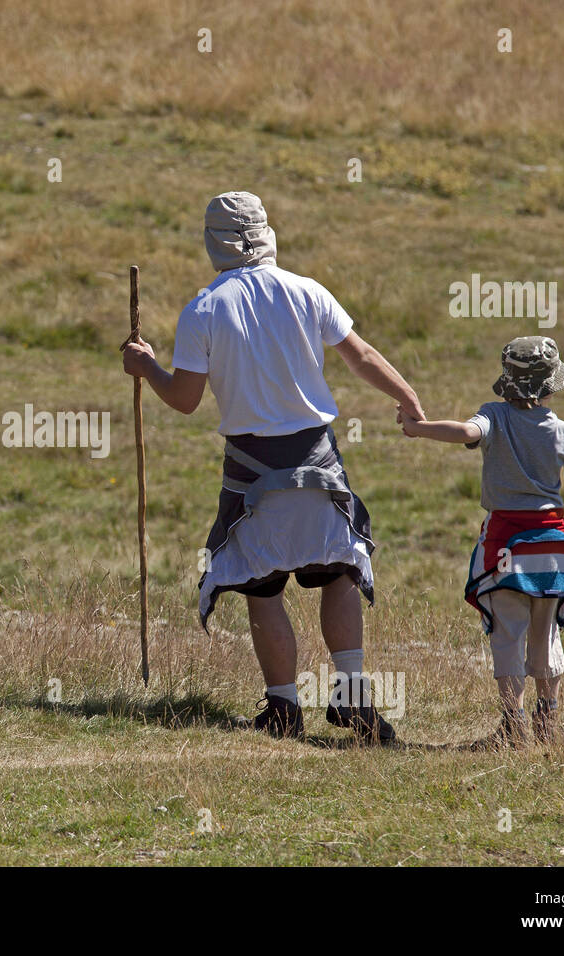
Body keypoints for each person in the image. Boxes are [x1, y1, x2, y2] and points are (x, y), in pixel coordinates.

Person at [122, 191, 424, 743]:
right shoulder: (307, 291)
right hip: (319, 463)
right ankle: (353, 699)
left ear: (213, 242)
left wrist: (147, 368)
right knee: (338, 573)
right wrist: (406, 395)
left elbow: (185, 399)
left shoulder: (205, 308)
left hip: (251, 470)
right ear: (267, 234)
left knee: (264, 589)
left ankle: (284, 708)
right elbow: (360, 355)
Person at [397, 336, 564, 747]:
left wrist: (418, 428)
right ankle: (548, 721)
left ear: (509, 381)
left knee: (508, 633)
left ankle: (513, 725)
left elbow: (464, 431)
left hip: (506, 545)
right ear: (550, 384)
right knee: (546, 636)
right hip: (554, 548)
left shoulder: (494, 417)